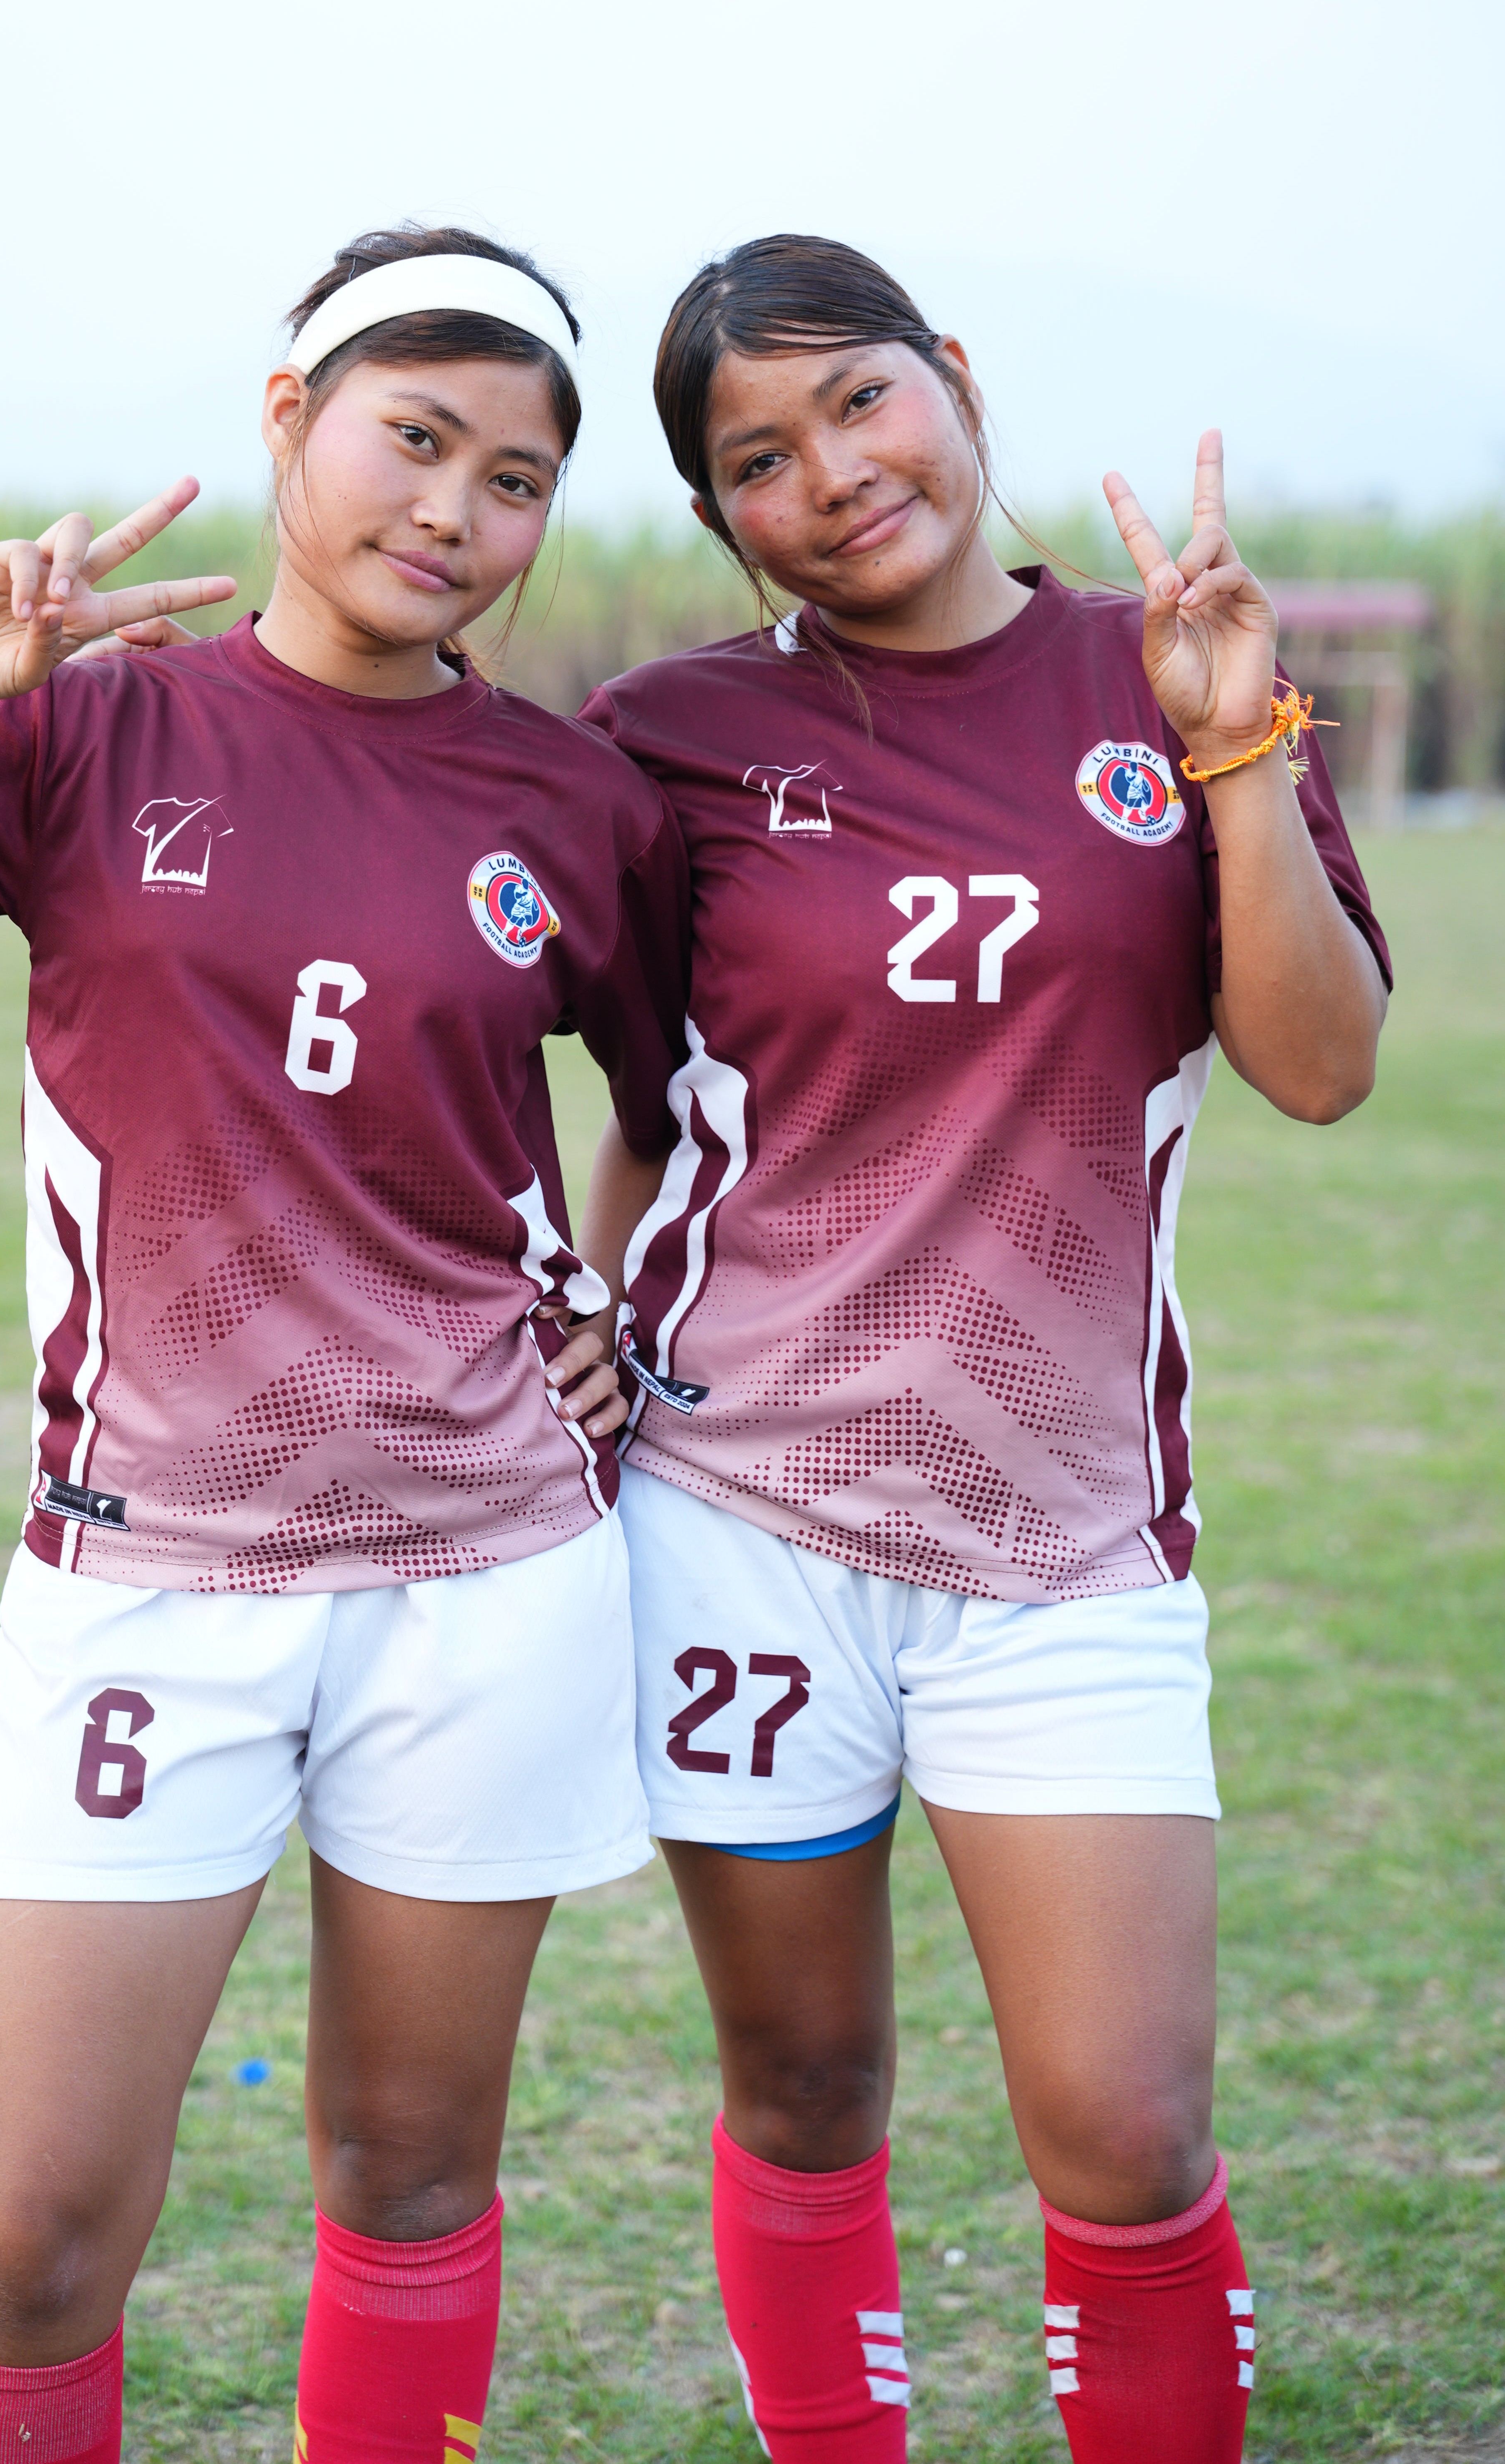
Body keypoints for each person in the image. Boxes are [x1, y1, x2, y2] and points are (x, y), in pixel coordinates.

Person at [0, 225, 688, 2464]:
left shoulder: (574, 802)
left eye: (515, 480)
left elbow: (700, 1119)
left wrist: (611, 1319)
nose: (456, 516)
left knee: (407, 2180)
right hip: (149, 1578)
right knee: (28, 2236)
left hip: (490, 1581)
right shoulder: (87, 731)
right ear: (288, 420)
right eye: (414, 440)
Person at [576, 233, 1390, 2464]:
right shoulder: (670, 740)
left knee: (1126, 2128)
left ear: (953, 375)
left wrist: (1236, 740)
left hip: (1067, 1539)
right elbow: (636, 1110)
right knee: (807, 2084)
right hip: (735, 1526)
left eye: (858, 401)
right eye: (759, 457)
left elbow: (1319, 1068)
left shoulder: (1168, 674)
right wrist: (555, 1305)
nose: (831, 474)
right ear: (722, 515)